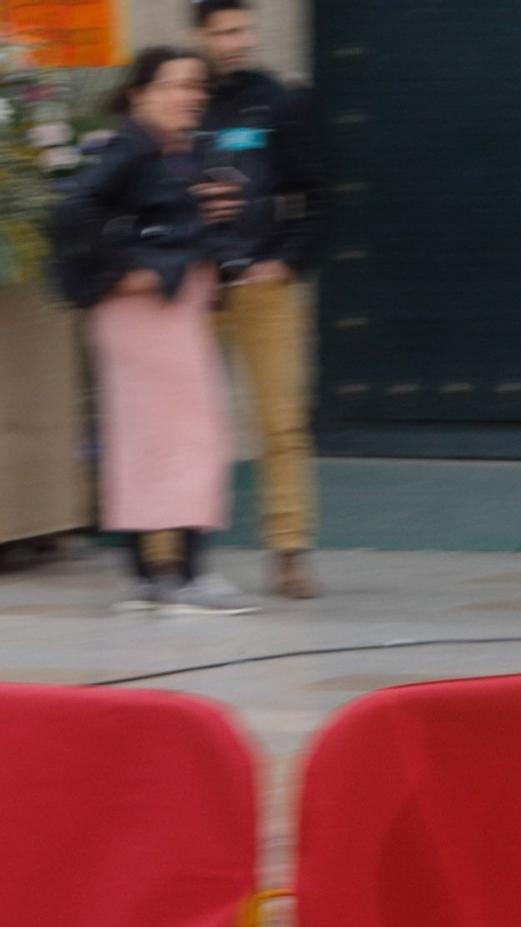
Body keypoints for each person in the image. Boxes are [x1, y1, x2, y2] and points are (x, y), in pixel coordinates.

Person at [52, 48, 258, 614]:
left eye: (195, 86)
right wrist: (126, 270)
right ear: (141, 92)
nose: (189, 96)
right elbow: (74, 210)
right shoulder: (131, 147)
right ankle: (178, 577)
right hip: (144, 317)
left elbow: (187, 225)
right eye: (175, 86)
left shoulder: (182, 152)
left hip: (174, 309)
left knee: (167, 438)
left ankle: (158, 577)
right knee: (182, 437)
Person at [179, 0, 325, 599]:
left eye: (244, 29)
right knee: (186, 423)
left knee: (281, 424)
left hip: (263, 288)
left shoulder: (278, 101)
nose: (237, 41)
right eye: (224, 32)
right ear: (201, 36)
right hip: (191, 287)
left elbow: (317, 194)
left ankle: (289, 551)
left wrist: (285, 262)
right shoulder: (181, 97)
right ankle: (172, 553)